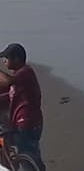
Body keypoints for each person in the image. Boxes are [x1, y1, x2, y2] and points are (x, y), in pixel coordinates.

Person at [0, 43, 45, 171]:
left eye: (6, 58)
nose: (4, 61)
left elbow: (8, 81)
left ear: (16, 59)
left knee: (28, 158)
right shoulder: (19, 77)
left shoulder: (25, 72)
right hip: (25, 123)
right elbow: (9, 95)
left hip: (27, 124)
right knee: (31, 154)